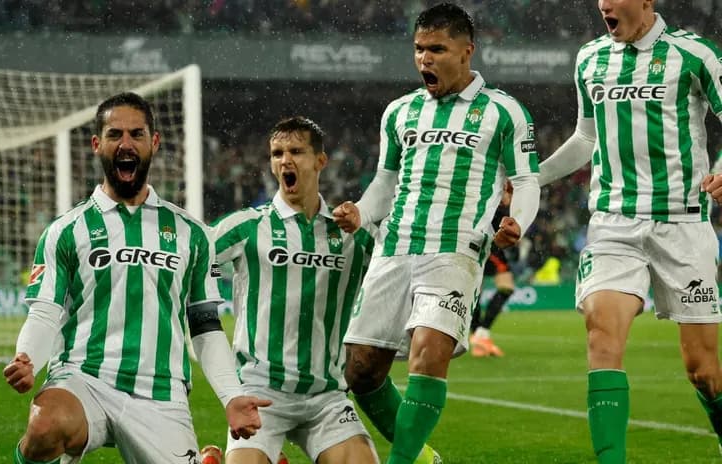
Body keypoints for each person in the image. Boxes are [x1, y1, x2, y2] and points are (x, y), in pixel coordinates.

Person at [3, 92, 271, 464]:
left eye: (136, 134)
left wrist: (232, 396)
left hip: (161, 393)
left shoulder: (191, 233)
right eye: (114, 134)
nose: (125, 143)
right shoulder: (67, 230)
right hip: (84, 378)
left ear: (154, 143)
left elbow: (205, 325)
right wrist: (29, 357)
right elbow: (45, 311)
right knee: (45, 427)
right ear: (97, 145)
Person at [331, 4, 541, 463]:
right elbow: (385, 183)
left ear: (467, 52)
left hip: (455, 252)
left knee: (429, 350)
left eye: (437, 49)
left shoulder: (503, 111)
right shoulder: (400, 112)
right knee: (361, 370)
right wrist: (360, 212)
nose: (425, 58)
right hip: (394, 247)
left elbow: (526, 181)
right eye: (419, 49)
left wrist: (517, 222)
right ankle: (425, 458)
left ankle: (401, 461)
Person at [539, 0, 722, 461]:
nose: (604, 5)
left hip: (683, 224)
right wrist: (532, 177)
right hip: (614, 223)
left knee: (703, 371)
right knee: (602, 337)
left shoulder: (694, 54)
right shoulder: (590, 58)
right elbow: (586, 137)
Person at [204, 116, 441, 464]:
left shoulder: (352, 234)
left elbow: (403, 261)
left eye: (296, 151)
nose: (285, 160)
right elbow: (191, 257)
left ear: (320, 161)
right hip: (260, 391)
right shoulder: (247, 227)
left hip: (327, 396)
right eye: (277, 153)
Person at [469, 183, 516, 357]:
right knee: (505, 288)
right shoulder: (494, 199)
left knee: (476, 292)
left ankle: (478, 339)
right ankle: (481, 333)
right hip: (490, 247)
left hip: (485, 246)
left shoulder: (491, 194)